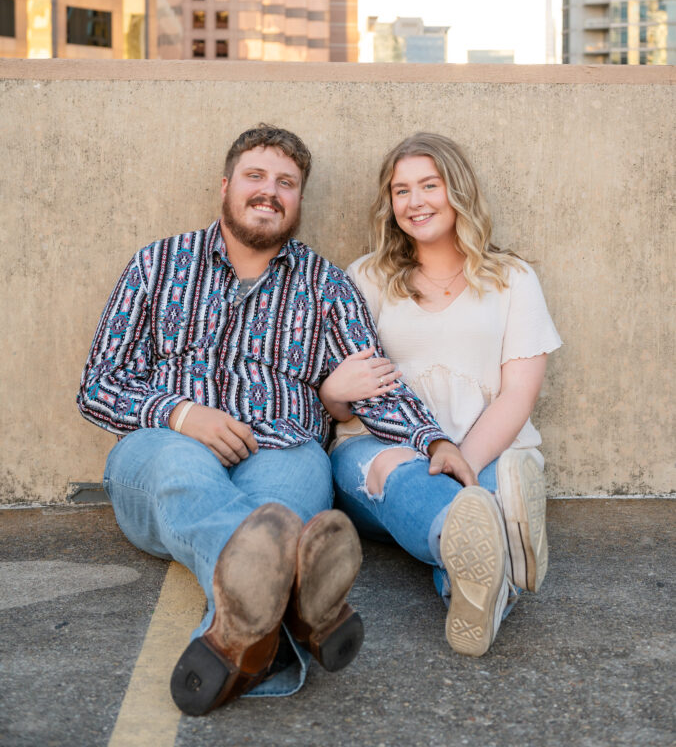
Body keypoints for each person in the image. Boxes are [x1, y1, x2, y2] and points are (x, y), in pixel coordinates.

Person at [77, 123, 473, 715]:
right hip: (163, 448)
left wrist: (433, 437)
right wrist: (182, 414)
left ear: (299, 200)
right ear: (226, 186)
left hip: (284, 448)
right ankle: (300, 604)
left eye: (286, 182)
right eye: (256, 176)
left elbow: (376, 385)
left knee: (280, 517)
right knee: (199, 482)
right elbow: (98, 385)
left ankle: (251, 647)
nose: (270, 191)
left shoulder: (325, 285)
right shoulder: (158, 264)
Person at [322, 132, 562, 658]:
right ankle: (494, 538)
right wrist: (332, 394)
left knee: (490, 495)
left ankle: (469, 585)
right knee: (398, 473)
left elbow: (518, 395)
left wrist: (461, 463)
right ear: (389, 203)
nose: (415, 202)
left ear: (458, 191)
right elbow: (348, 398)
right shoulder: (365, 278)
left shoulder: (512, 279)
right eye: (401, 190)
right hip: (382, 447)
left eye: (429, 185)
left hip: (489, 448)